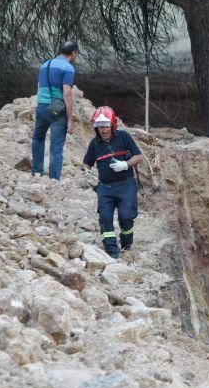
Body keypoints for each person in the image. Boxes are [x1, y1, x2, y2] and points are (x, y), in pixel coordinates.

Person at [82, 106, 144, 258]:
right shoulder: (94, 144)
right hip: (105, 188)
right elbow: (87, 163)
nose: (103, 130)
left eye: (106, 126)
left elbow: (139, 156)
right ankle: (112, 252)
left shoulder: (124, 137)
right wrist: (86, 171)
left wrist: (126, 164)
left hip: (126, 184)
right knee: (105, 218)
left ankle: (126, 244)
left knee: (125, 217)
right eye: (100, 127)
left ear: (112, 125)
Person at [32, 41, 79, 180]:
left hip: (42, 106)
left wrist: (40, 105)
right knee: (56, 146)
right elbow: (67, 94)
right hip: (57, 109)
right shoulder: (68, 68)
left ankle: (37, 173)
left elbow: (39, 87)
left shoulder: (44, 65)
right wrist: (70, 119)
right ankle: (54, 180)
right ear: (73, 53)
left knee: (38, 138)